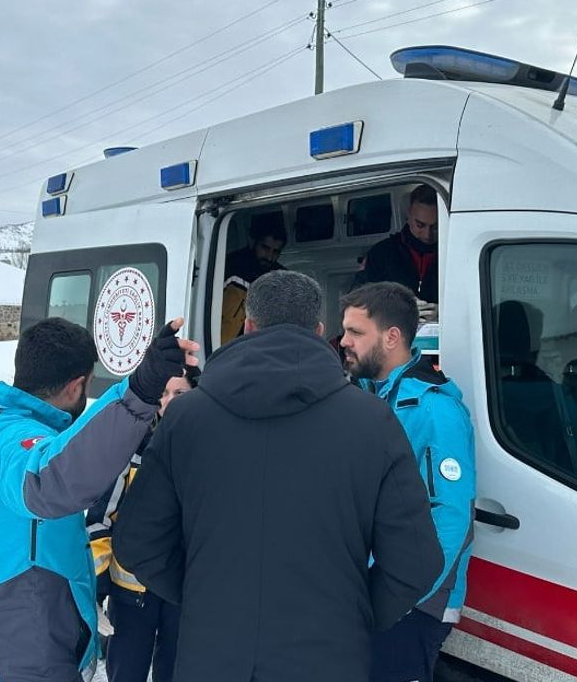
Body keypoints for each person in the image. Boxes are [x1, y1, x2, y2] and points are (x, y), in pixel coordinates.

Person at [115, 270, 443, 682]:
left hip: (212, 657)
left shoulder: (185, 417)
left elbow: (136, 541)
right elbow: (417, 561)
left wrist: (203, 596)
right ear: (320, 330)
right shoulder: (372, 421)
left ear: (248, 327)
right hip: (330, 659)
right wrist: (354, 614)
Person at [0, 316, 197, 682]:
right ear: (76, 386)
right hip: (16, 659)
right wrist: (140, 391)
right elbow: (50, 479)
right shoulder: (8, 440)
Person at [338, 282, 476, 682]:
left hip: (412, 604)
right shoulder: (368, 397)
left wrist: (399, 597)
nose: (343, 341)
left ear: (392, 337)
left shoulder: (435, 411)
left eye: (355, 332)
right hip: (369, 591)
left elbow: (450, 519)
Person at [87, 366, 199, 682]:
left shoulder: (208, 451)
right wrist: (97, 586)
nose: (171, 401)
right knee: (126, 672)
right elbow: (100, 519)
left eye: (180, 393)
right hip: (132, 591)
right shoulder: (131, 449)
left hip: (182, 591)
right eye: (164, 393)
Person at [353, 184, 440, 309]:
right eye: (420, 225)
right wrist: (396, 308)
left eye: (435, 227)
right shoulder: (381, 253)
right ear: (409, 216)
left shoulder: (454, 254)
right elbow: (357, 298)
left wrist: (442, 313)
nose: (427, 234)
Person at [220, 214, 288, 344]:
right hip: (224, 345)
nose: (269, 256)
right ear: (252, 241)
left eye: (276, 252)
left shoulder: (281, 277)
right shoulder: (228, 266)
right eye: (265, 248)